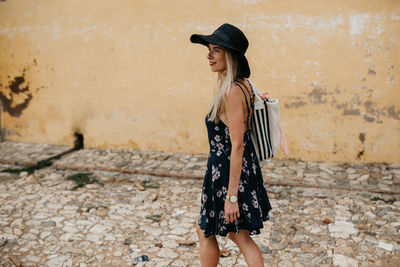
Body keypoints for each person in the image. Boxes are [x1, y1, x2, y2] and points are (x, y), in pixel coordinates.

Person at [190, 23, 272, 267]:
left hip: (228, 175)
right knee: (233, 235)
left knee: (229, 235)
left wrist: (232, 197)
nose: (209, 55)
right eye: (209, 49)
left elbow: (237, 146)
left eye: (216, 50)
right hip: (236, 171)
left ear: (230, 55)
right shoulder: (243, 84)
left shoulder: (232, 91)